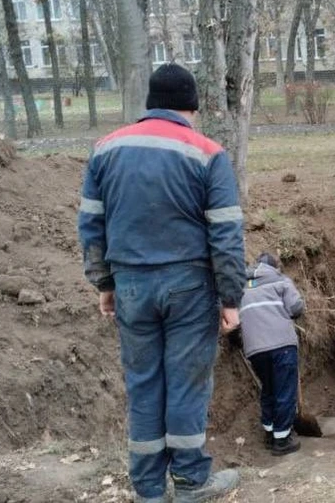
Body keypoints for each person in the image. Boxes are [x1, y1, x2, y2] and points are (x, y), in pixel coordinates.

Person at [78, 63, 244, 503]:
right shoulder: (208, 152)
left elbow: (91, 225)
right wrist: (231, 297)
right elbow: (225, 233)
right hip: (188, 285)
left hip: (131, 284)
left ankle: (149, 490)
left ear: (150, 104)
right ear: (192, 107)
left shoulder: (105, 150)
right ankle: (190, 481)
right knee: (186, 383)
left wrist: (104, 283)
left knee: (144, 383)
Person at [240, 253, 305, 456]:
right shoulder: (281, 280)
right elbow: (296, 308)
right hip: (281, 345)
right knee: (284, 391)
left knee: (268, 389)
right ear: (273, 266)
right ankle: (282, 440)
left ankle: (269, 434)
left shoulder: (239, 286)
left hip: (254, 349)